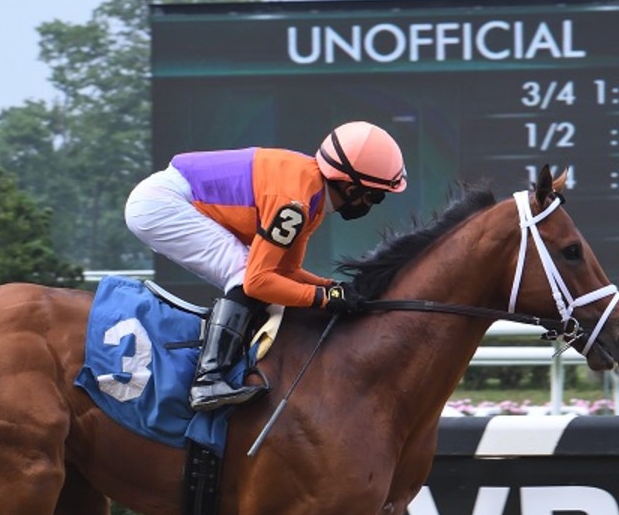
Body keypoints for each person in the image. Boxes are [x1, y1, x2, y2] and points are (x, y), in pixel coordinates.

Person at [124, 121, 407, 411]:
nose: (374, 204)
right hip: (161, 203)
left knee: (252, 273)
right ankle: (208, 380)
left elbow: (285, 272)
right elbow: (258, 282)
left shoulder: (309, 192)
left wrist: (330, 287)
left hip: (166, 197)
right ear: (350, 187)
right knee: (243, 274)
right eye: (376, 195)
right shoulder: (295, 203)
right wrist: (324, 299)